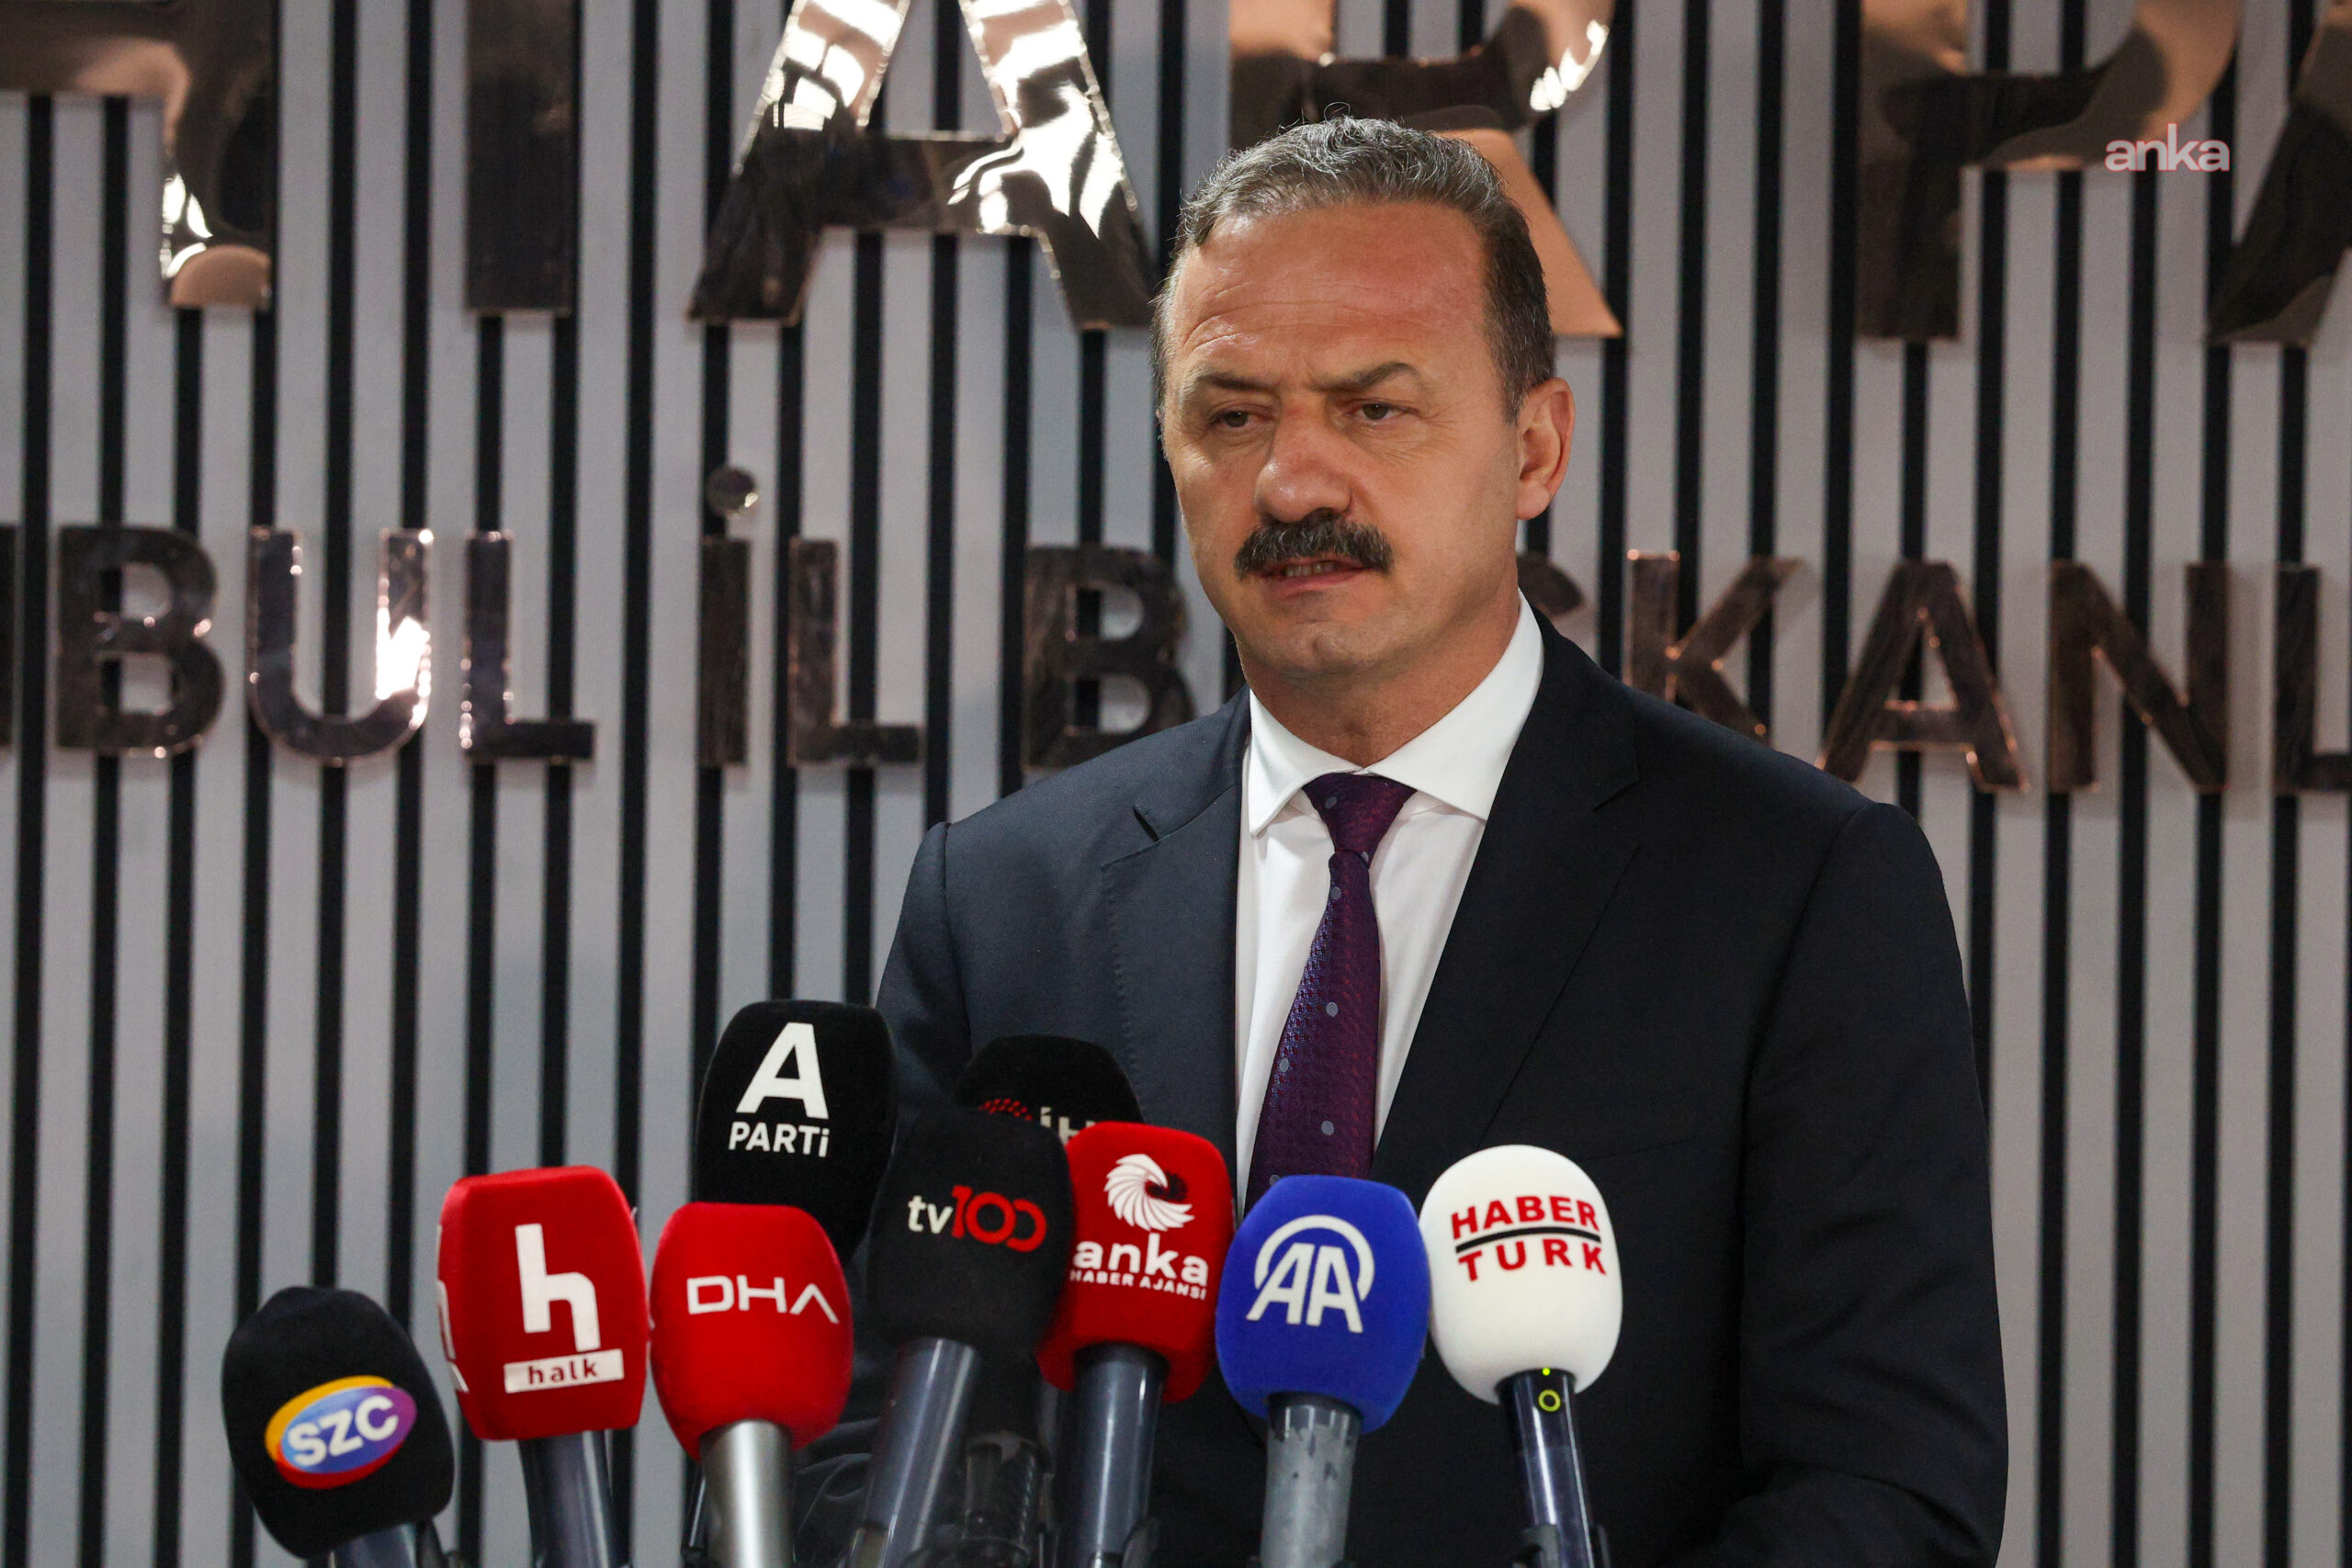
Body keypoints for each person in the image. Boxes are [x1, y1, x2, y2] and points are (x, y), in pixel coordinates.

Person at [876, 117, 2005, 1567]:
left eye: (1374, 409)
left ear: (1535, 448)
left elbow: (1886, 1486)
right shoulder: (1001, 898)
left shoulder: (1799, 890)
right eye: (1233, 416)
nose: (1294, 485)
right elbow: (875, 1432)